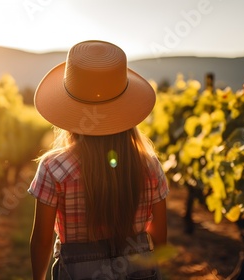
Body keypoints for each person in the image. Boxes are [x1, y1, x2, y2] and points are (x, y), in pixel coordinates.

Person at [28, 40, 169, 280]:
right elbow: (160, 235)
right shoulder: (150, 165)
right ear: (127, 110)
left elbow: (41, 240)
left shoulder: (53, 168)